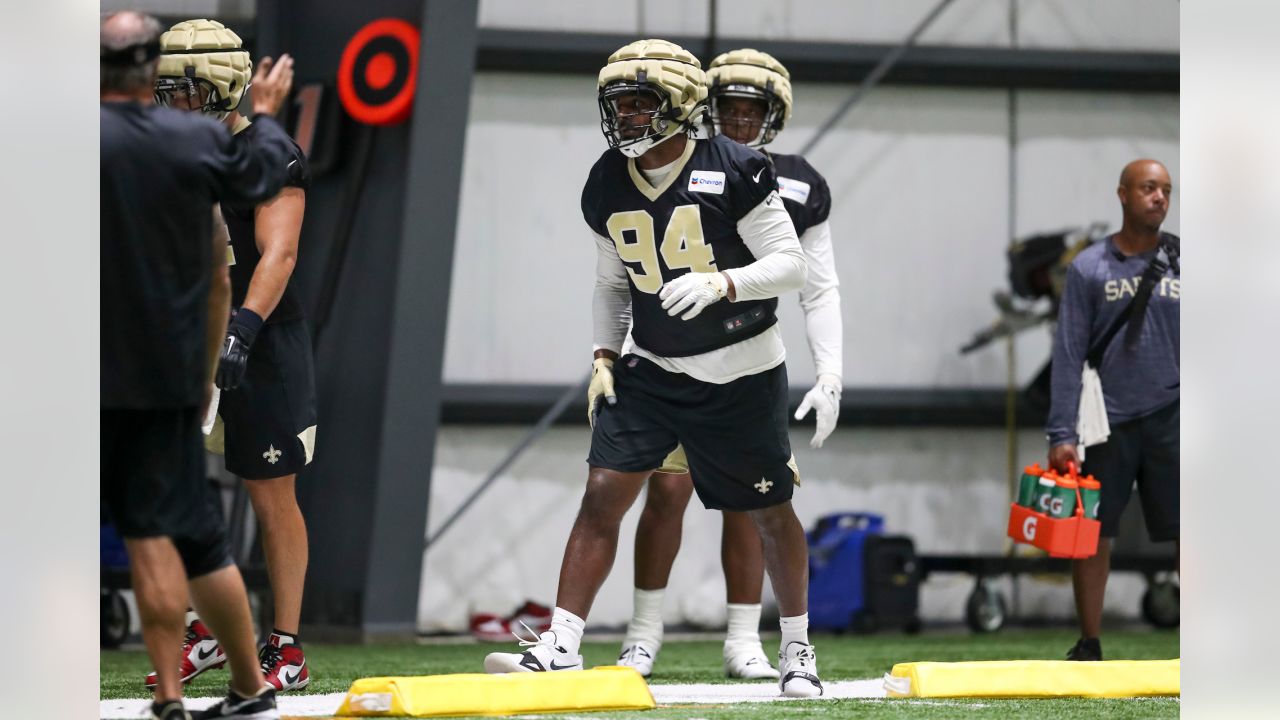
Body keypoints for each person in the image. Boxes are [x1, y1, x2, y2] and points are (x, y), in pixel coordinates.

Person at [483, 39, 823, 698]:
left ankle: (797, 647)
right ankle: (563, 641)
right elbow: (612, 283)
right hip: (653, 367)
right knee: (603, 492)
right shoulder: (608, 177)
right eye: (620, 105)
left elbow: (792, 265)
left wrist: (722, 284)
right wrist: (604, 353)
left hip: (740, 373)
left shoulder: (736, 168)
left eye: (641, 104)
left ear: (682, 105)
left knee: (769, 510)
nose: (628, 118)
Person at [614, 48, 842, 682]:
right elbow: (631, 272)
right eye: (729, 110)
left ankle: (745, 637)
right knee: (665, 488)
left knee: (751, 500)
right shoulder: (672, 163)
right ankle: (643, 634)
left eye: (753, 111)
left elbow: (817, 287)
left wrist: (831, 374)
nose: (739, 122)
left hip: (745, 362)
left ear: (774, 116)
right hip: (669, 358)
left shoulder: (796, 183)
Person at [101, 10, 295, 720]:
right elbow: (257, 183)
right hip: (160, 372)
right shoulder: (189, 142)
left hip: (72, 368)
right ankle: (228, 688)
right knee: (176, 534)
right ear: (153, 68)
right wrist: (268, 114)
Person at [142, 18, 317, 694]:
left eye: (189, 93)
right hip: (191, 335)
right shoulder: (177, 154)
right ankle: (207, 630)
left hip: (262, 337)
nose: (176, 106)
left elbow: (279, 252)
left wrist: (242, 331)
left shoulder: (269, 154)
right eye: (168, 93)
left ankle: (287, 646)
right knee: (176, 488)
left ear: (224, 90)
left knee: (271, 495)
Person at [1046, 159, 1180, 662]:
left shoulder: (1188, 262)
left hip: (1173, 412)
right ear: (1123, 195)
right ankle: (1090, 642)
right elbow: (1068, 353)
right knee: (1092, 535)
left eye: (1166, 190)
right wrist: (1062, 433)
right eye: (1149, 188)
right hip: (1106, 423)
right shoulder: (1090, 268)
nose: (1160, 198)